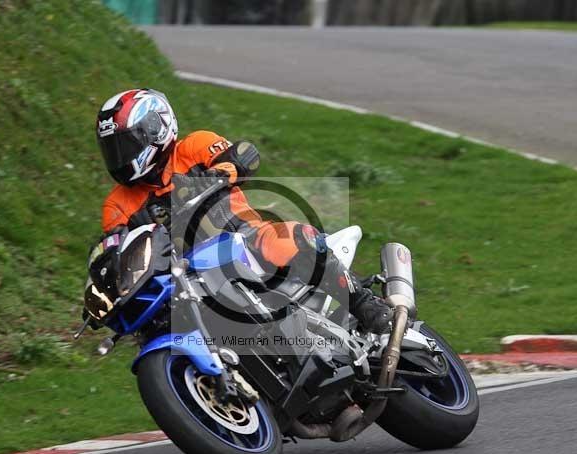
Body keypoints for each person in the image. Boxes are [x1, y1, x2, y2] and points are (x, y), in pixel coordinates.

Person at [95, 88, 392, 334]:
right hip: (185, 276)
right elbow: (117, 252)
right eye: (113, 149)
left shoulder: (193, 146)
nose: (121, 157)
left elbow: (242, 155)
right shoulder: (117, 203)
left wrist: (219, 173)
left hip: (245, 238)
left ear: (154, 129)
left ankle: (366, 304)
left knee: (288, 238)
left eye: (127, 144)